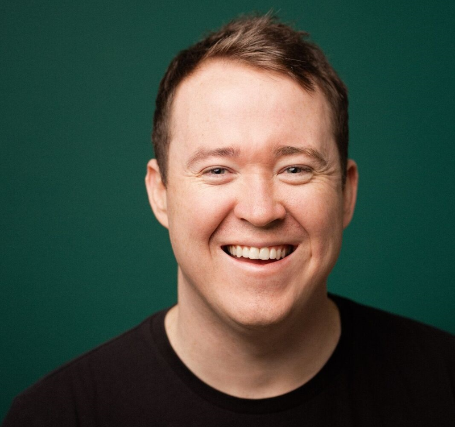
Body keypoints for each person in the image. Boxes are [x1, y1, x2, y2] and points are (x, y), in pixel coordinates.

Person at [3, 14, 455, 427]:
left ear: (346, 194)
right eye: (217, 170)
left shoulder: (445, 386)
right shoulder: (58, 415)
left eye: (295, 169)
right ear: (161, 193)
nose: (260, 211)